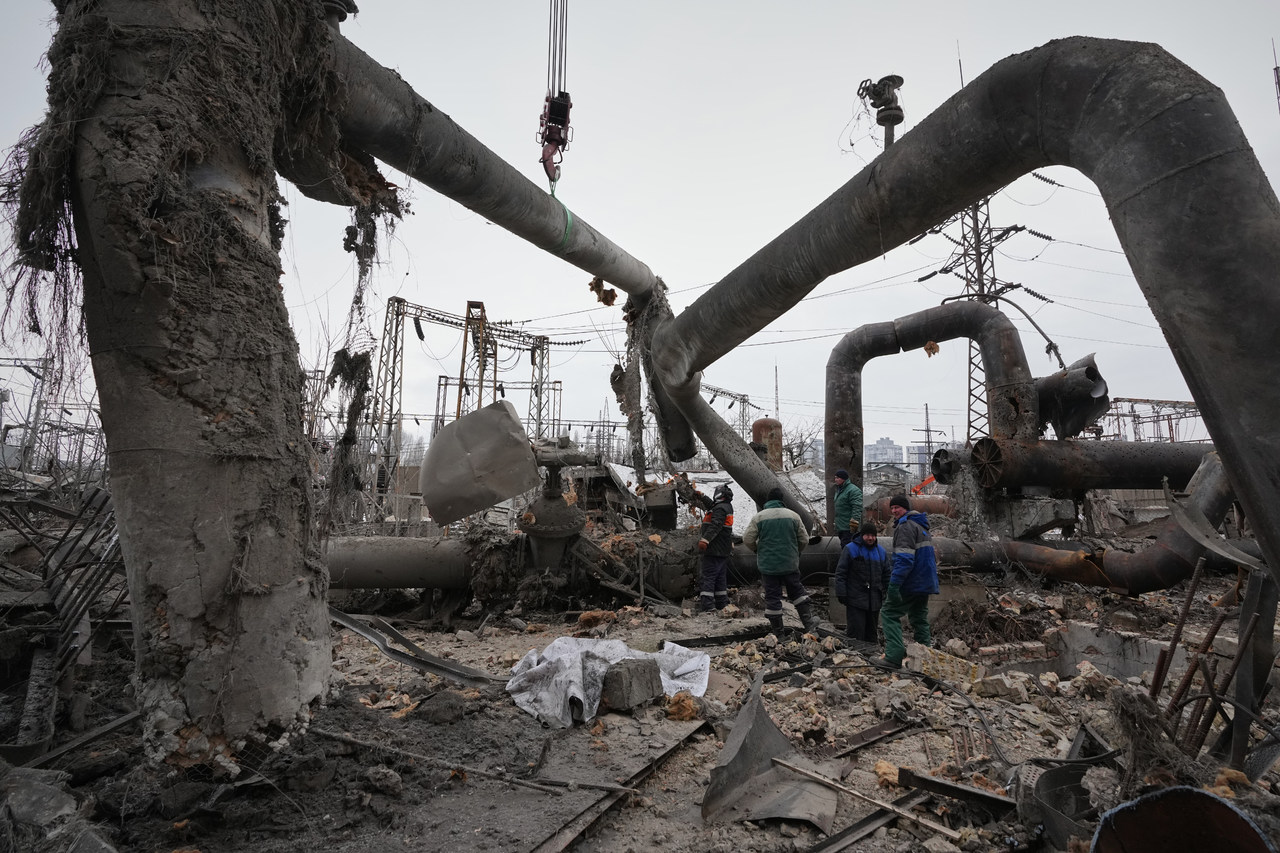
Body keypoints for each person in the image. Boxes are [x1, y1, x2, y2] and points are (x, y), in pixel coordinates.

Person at [876, 495, 939, 669]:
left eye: (897, 507)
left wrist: (894, 584)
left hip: (912, 581)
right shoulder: (922, 526)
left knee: (889, 612)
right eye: (892, 508)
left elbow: (904, 559)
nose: (894, 511)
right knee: (919, 618)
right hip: (926, 582)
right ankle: (924, 660)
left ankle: (893, 656)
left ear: (906, 508)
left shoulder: (905, 526)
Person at [743, 487, 817, 634]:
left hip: (768, 566)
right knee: (797, 592)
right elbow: (804, 540)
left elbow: (747, 539)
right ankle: (809, 625)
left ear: (768, 501)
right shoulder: (793, 516)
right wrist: (795, 552)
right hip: (789, 564)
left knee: (772, 597)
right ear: (781, 500)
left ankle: (779, 633)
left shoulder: (759, 517)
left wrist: (757, 549)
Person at [835, 520, 891, 644]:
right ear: (862, 535)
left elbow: (886, 574)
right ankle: (855, 653)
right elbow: (841, 572)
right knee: (856, 633)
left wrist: (887, 592)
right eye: (867, 535)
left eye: (873, 535)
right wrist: (841, 592)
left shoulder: (881, 552)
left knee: (871, 634)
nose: (870, 538)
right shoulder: (850, 549)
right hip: (856, 600)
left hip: (874, 601)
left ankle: (871, 653)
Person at [697, 485, 735, 612]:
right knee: (720, 578)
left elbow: (715, 525)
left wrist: (705, 540)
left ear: (719, 495)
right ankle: (721, 603)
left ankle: (707, 606)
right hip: (722, 549)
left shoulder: (720, 509)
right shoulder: (724, 506)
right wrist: (702, 497)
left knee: (708, 577)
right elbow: (712, 506)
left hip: (714, 548)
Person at [832, 469, 863, 547]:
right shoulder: (840, 490)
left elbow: (857, 508)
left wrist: (854, 524)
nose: (835, 480)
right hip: (841, 526)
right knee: (844, 546)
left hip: (848, 527)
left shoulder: (853, 490)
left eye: (837, 478)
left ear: (843, 479)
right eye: (835, 478)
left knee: (849, 548)